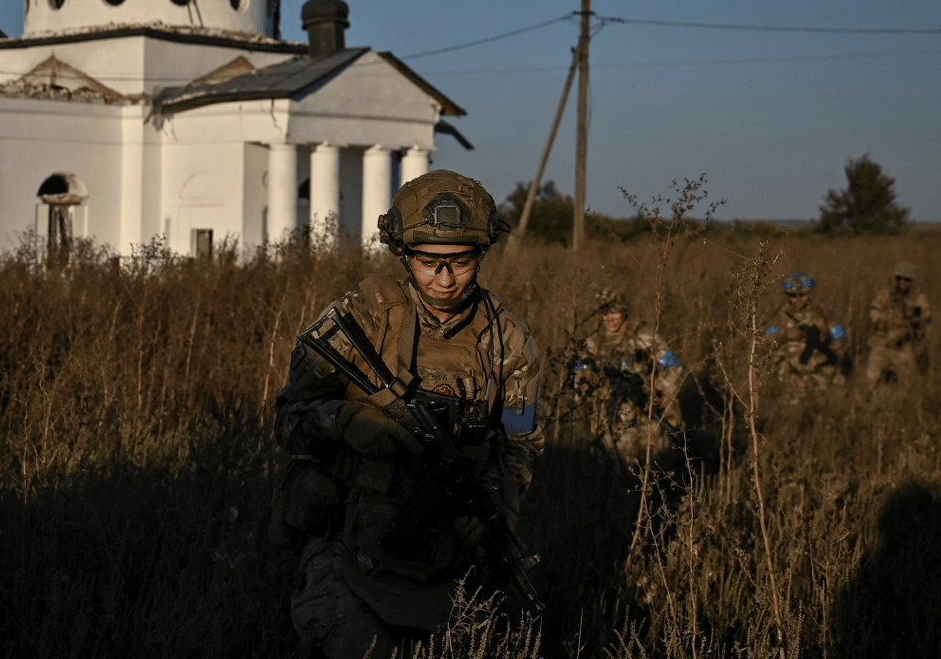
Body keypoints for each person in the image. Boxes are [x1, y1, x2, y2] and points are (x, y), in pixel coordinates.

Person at [270, 170, 544, 659]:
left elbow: (521, 442)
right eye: (427, 262)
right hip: (348, 538)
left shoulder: (510, 342)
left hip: (451, 545)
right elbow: (289, 422)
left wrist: (493, 505)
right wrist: (348, 423)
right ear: (402, 253)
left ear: (481, 254)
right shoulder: (362, 317)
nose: (444, 278)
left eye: (459, 261)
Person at [572, 285, 685, 465]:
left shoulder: (642, 335)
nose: (610, 318)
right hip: (610, 411)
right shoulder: (594, 343)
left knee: (660, 453)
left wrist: (657, 388)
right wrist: (586, 381)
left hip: (644, 406)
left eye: (615, 312)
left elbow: (672, 365)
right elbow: (579, 373)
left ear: (624, 311)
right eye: (605, 313)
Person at [764, 272, 847, 405]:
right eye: (793, 296)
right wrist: (783, 335)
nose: (798, 299)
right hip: (792, 370)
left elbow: (839, 337)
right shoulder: (781, 316)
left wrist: (829, 344)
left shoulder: (822, 312)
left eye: (802, 295)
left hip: (819, 367)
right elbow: (769, 341)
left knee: (825, 402)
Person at [864, 260, 932, 389]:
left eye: (906, 279)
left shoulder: (919, 298)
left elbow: (927, 321)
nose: (902, 282)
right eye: (899, 278)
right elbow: (873, 311)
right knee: (871, 378)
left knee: (908, 387)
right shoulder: (887, 293)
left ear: (911, 280)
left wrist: (923, 341)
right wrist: (887, 319)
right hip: (883, 344)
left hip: (905, 349)